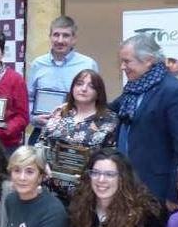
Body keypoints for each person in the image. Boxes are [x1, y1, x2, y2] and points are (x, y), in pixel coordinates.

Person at [111, 33, 178, 209]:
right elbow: (108, 109)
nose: (122, 67)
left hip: (156, 189)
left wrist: (175, 194)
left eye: (127, 61)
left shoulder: (175, 92)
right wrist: (74, 105)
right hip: (127, 183)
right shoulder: (133, 89)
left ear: (148, 60)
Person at [38, 69, 118, 203]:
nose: (84, 89)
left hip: (86, 193)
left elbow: (111, 157)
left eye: (91, 86)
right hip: (50, 188)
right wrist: (41, 164)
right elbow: (41, 143)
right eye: (79, 84)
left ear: (99, 92)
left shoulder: (109, 119)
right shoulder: (60, 112)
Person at [26, 16, 99, 145]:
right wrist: (33, 118)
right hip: (42, 132)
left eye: (65, 35)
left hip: (75, 135)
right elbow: (29, 98)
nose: (60, 40)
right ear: (50, 37)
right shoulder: (38, 64)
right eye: (56, 35)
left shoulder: (88, 65)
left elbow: (95, 100)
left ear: (74, 39)